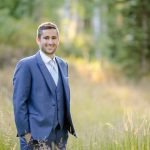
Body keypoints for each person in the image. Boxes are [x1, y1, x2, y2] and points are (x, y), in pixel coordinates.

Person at [13, 22, 76, 150]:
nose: (50, 42)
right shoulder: (26, 65)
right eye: (46, 38)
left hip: (60, 139)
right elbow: (19, 103)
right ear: (38, 40)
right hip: (35, 139)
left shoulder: (63, 64)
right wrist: (27, 137)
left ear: (58, 40)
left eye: (54, 38)